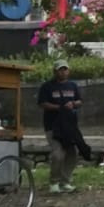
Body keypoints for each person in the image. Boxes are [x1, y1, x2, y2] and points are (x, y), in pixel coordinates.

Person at [38, 59, 90, 193]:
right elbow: (42, 103)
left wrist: (73, 104)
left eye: (65, 69)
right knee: (58, 154)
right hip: (53, 126)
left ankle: (65, 181)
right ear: (55, 71)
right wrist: (59, 107)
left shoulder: (73, 86)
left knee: (73, 153)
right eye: (60, 69)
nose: (63, 72)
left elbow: (80, 101)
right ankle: (53, 182)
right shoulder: (47, 86)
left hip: (70, 126)